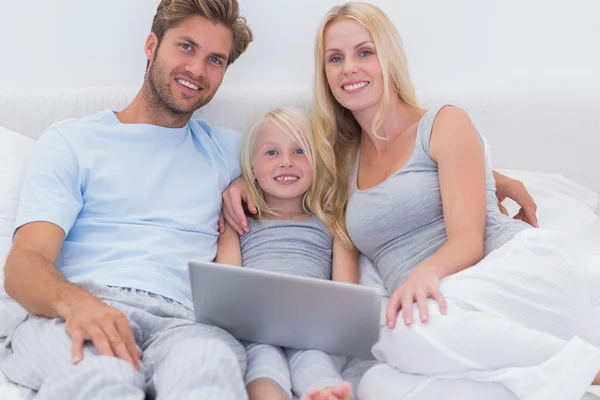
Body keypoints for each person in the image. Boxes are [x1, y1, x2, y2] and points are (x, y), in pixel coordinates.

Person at [223, 2, 600, 399]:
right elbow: (283, 164)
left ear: (389, 57)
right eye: (335, 58)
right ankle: (556, 380)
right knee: (376, 384)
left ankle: (589, 367)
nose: (349, 67)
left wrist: (425, 272)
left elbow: (468, 240)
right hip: (443, 315)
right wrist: (241, 182)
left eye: (364, 52)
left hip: (508, 275)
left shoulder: (443, 122)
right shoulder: (339, 159)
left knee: (401, 331)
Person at [0, 0, 254, 399]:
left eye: (215, 60)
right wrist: (77, 305)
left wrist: (250, 182)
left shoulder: (230, 151)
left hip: (185, 324)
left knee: (208, 372)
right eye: (186, 47)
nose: (198, 70)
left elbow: (315, 165)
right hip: (84, 307)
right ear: (152, 45)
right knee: (104, 381)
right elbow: (22, 266)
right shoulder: (72, 141)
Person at [216, 107, 355, 400]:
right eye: (271, 153)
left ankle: (328, 393)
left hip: (313, 331)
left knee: (315, 363)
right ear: (251, 168)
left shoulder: (332, 222)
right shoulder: (239, 221)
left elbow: (347, 297)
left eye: (300, 151)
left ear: (317, 163)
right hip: (255, 330)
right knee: (262, 364)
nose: (287, 163)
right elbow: (226, 288)